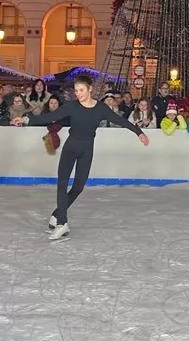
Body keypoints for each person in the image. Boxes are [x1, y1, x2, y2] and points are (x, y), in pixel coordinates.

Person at [12, 74, 149, 241]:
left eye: (82, 90)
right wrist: (27, 119)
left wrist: (139, 133)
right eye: (76, 90)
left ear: (90, 89)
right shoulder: (71, 106)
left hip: (86, 148)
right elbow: (49, 117)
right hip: (71, 147)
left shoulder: (101, 109)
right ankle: (62, 223)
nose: (79, 94)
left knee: (78, 187)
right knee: (62, 183)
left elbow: (121, 120)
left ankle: (57, 214)